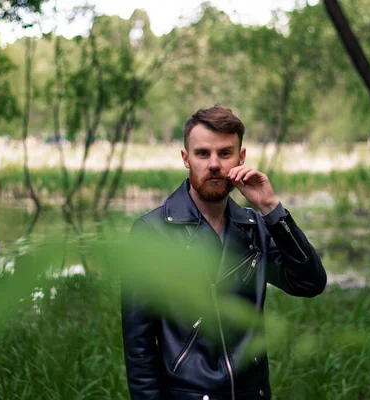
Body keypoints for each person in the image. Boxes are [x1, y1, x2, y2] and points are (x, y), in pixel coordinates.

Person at [121, 105, 327, 400]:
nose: (214, 164)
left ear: (241, 158)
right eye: (203, 153)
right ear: (185, 158)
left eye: (225, 153)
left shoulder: (254, 226)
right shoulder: (153, 232)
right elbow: (139, 348)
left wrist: (271, 210)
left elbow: (310, 282)